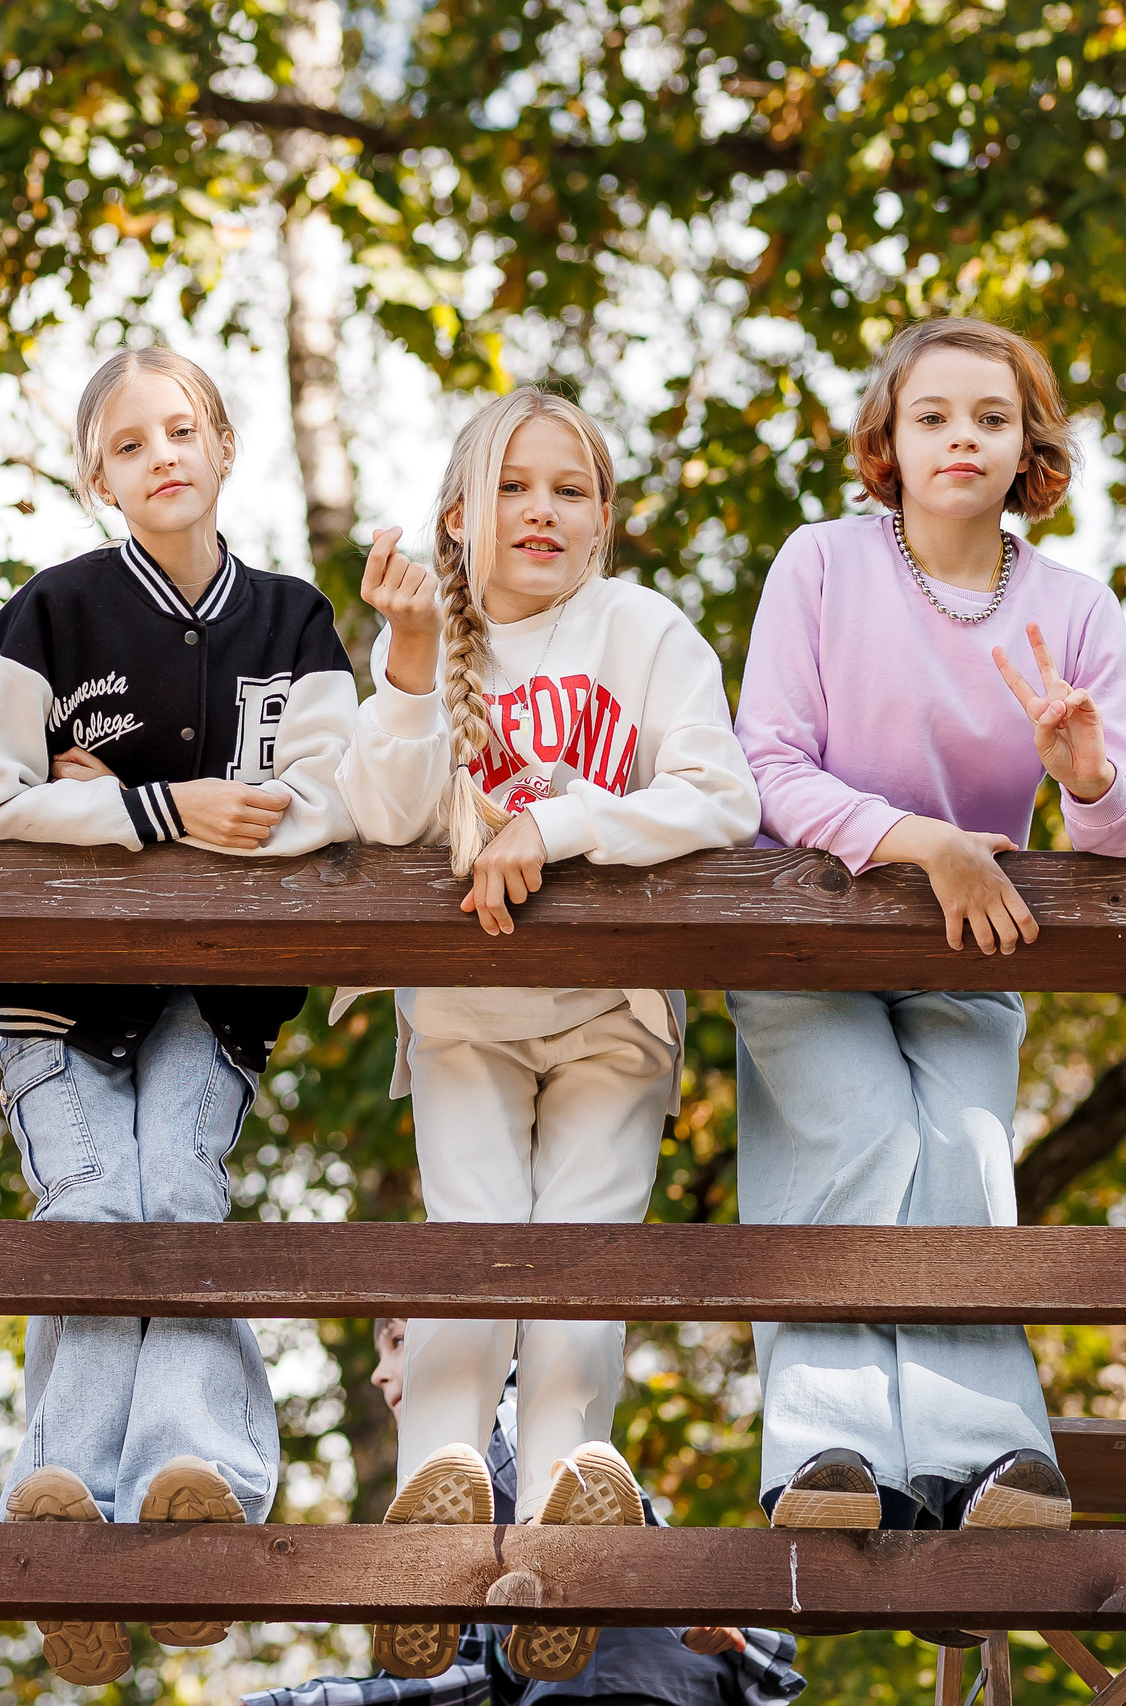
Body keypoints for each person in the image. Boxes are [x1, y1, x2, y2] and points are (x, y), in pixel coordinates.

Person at [728, 317, 1126, 1587]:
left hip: (977, 946)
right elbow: (767, 764)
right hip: (808, 926)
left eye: (988, 416)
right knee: (857, 1136)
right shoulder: (820, 565)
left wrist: (1083, 778)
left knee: (968, 1160)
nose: (960, 437)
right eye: (932, 416)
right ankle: (829, 1454)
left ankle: (985, 1458)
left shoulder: (1074, 612)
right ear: (889, 440)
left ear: (1029, 444)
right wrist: (927, 840)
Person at [0, 344, 360, 1684]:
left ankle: (193, 1488)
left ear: (225, 443)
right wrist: (160, 807)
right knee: (90, 1210)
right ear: (96, 474)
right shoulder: (47, 617)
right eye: (131, 444)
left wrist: (106, 805)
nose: (163, 456)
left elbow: (328, 801)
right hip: (54, 1002)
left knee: (177, 1197)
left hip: (215, 996)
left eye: (183, 430)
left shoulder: (294, 621)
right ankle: (66, 1503)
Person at [333, 387, 759, 1679]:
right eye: (514, 487)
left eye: (570, 489)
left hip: (613, 1019)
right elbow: (383, 813)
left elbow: (721, 796)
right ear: (458, 518)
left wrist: (554, 824)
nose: (542, 510)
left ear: (605, 521)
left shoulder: (641, 630)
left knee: (580, 1271)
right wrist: (405, 666)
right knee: (471, 1258)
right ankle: (431, 1542)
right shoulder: (433, 645)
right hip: (464, 1015)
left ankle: (568, 1538)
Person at [239, 1321, 806, 1706]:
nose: (378, 1372)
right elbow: (453, 1673)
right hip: (660, 1683)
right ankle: (540, 1602)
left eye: (398, 1341)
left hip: (623, 1676)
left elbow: (608, 1517)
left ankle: (548, 1599)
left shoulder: (501, 1426)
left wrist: (684, 1603)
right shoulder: (458, 1501)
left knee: (558, 1507)